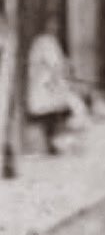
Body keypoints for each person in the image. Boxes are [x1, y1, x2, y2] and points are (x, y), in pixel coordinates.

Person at [26, 15, 72, 155]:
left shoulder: (50, 41)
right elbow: (53, 64)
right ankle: (49, 145)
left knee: (54, 114)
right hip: (46, 83)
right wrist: (59, 76)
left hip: (49, 82)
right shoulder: (44, 42)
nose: (54, 27)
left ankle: (52, 144)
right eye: (52, 24)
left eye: (56, 24)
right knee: (49, 115)